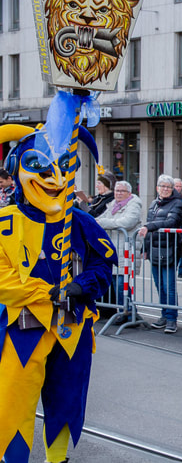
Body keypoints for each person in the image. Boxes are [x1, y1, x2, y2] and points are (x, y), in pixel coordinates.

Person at [0, 124, 115, 463]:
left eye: (63, 166)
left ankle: (57, 459)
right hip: (23, 330)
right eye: (39, 165)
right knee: (13, 402)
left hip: (71, 328)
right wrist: (46, 292)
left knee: (67, 400)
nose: (53, 177)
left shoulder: (80, 221)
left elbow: (104, 262)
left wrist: (82, 286)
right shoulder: (5, 222)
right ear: (16, 168)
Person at [138, 174, 182, 334]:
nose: (165, 189)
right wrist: (145, 249)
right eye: (162, 186)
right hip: (154, 249)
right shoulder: (154, 203)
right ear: (157, 188)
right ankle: (164, 315)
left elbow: (171, 222)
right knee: (159, 286)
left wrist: (150, 226)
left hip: (170, 249)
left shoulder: (177, 203)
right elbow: (148, 228)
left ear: (172, 189)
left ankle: (172, 318)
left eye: (168, 187)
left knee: (169, 286)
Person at [95, 181, 143, 315]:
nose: (119, 193)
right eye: (117, 191)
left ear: (129, 193)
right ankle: (124, 312)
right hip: (115, 251)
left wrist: (103, 223)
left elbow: (127, 222)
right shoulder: (113, 205)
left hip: (126, 251)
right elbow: (100, 218)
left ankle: (128, 313)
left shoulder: (134, 204)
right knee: (117, 285)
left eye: (122, 191)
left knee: (122, 285)